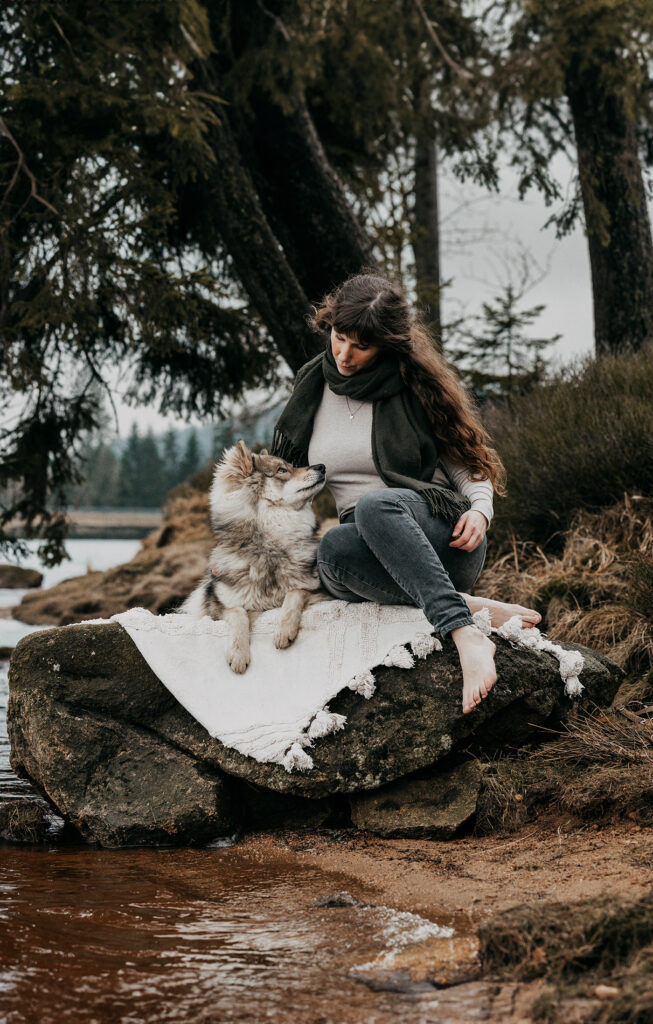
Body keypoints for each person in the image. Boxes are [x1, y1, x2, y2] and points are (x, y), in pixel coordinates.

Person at [271, 272, 541, 714]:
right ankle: (469, 608)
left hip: (442, 537)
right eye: (340, 338)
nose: (344, 354)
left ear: (387, 344)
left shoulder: (415, 385)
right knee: (333, 548)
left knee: (375, 504)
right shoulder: (311, 388)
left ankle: (464, 633)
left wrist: (480, 512)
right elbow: (278, 489)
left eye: (361, 346)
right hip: (372, 556)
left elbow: (469, 465)